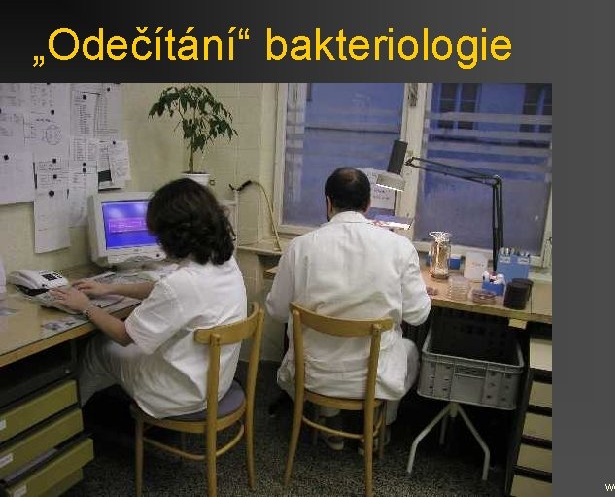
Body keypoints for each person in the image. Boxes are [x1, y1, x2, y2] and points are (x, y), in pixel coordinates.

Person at [51, 178, 247, 419]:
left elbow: (123, 336)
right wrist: (109, 289)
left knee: (98, 347)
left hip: (177, 395)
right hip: (214, 382)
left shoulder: (180, 284)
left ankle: (68, 421)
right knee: (133, 347)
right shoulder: (223, 262)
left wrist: (85, 306)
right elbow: (164, 289)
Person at [265, 167, 431, 451]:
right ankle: (377, 427)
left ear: (328, 203)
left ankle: (331, 421)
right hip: (374, 378)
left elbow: (278, 311)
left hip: (314, 375)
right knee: (410, 350)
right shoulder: (400, 248)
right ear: (368, 204)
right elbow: (418, 315)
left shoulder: (299, 247)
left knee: (318, 347)